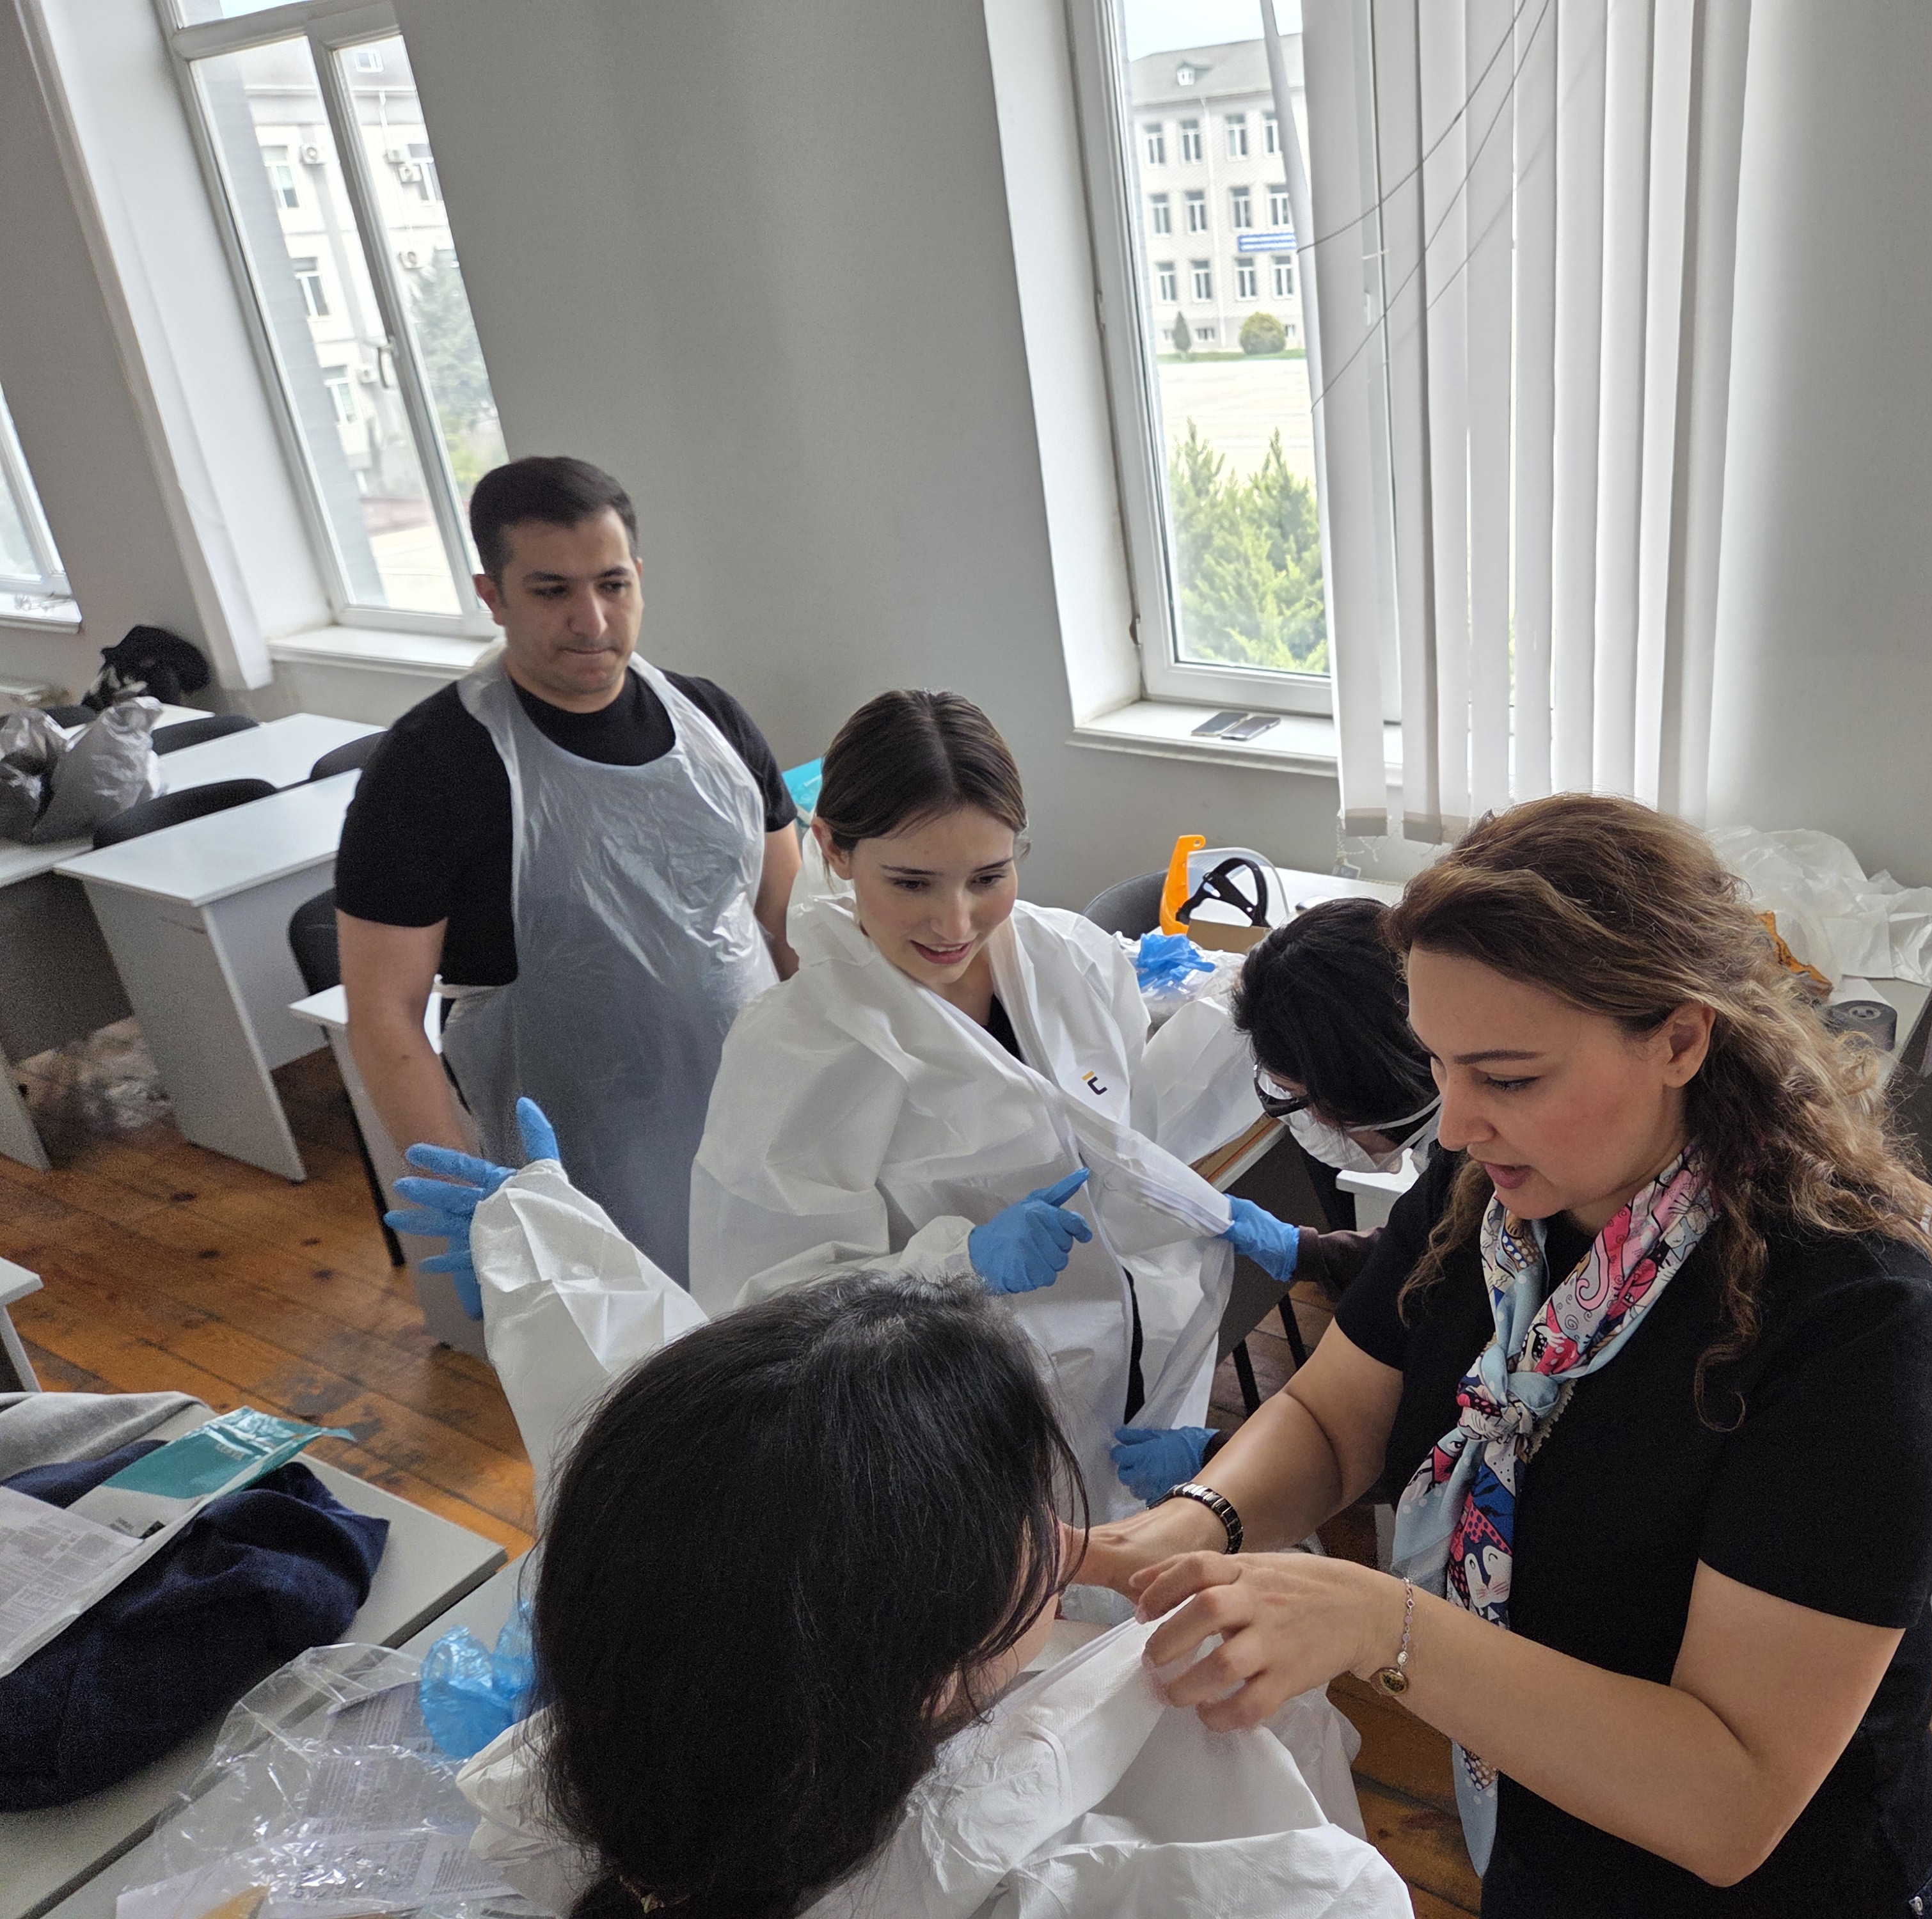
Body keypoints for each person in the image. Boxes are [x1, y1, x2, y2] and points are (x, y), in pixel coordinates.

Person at [1082, 793, 1932, 1917]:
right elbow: (1333, 1417)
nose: (1454, 1124)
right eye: (1440, 1065)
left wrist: (1379, 1623)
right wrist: (1190, 1526)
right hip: (1539, 1822)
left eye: (1508, 1078)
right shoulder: (1493, 1199)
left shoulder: (1862, 1327)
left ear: (1680, 1039)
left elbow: (1729, 1798)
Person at [439, 1153, 1406, 1919]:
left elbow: (734, 1477)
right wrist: (1380, 1620)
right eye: (1023, 1509)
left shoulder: (672, 1739)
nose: (1063, 1532)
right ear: (922, 1666)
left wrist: (550, 1257)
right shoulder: (1199, 1887)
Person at [681, 689, 1271, 1514]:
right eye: (912, 883)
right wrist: (957, 1265)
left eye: (988, 877)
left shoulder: (1069, 958)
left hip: (1138, 1361)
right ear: (834, 849)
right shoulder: (795, 1049)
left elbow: (1124, 1125)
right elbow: (769, 1306)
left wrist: (1199, 1202)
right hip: (962, 1416)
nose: (954, 923)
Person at [337, 455, 800, 1288]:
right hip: (582, 1180)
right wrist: (477, 1203)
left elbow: (793, 925)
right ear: (493, 595)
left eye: (612, 585)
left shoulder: (715, 723)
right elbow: (382, 1014)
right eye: (552, 591)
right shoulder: (430, 767)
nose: (591, 619)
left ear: (639, 579)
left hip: (764, 1131)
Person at [1113, 896, 1442, 1503]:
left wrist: (1222, 1459)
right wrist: (1311, 1252)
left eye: (1295, 1097)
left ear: (1352, 1086)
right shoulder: (1455, 1144)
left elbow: (1437, 1447)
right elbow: (1430, 1251)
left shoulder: (1495, 1174)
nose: (1308, 1121)